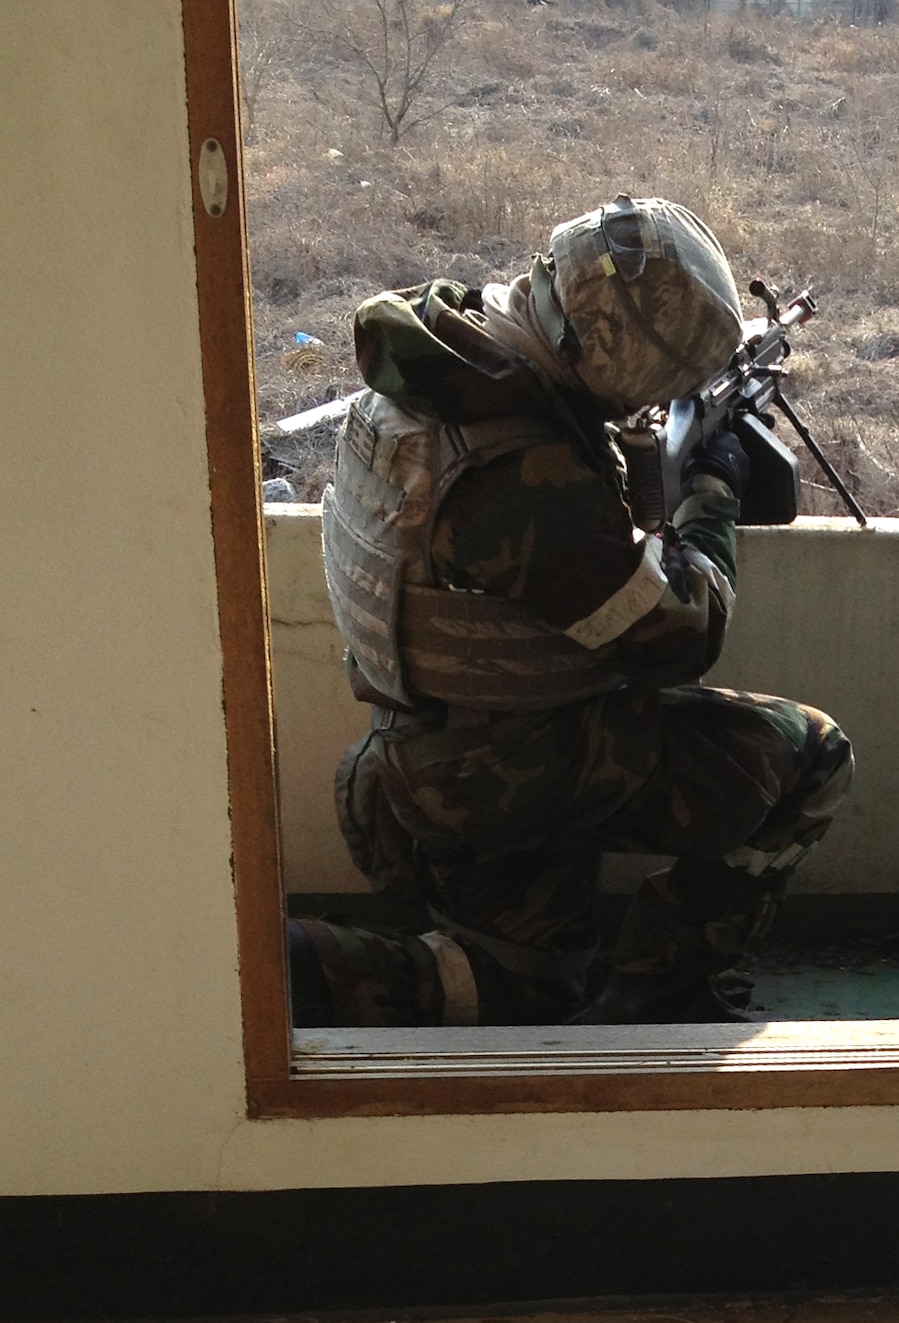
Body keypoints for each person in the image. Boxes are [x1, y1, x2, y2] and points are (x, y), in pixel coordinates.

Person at [290, 196, 854, 1028]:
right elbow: (680, 635)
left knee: (523, 994)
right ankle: (663, 990)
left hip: (420, 756)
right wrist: (711, 494)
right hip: (507, 776)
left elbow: (550, 532)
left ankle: (290, 964)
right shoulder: (524, 475)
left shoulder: (446, 360)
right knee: (814, 755)